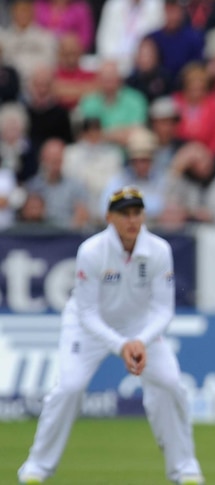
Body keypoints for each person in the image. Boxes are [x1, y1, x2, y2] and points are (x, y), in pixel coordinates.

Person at [17, 186, 205, 485]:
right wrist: (122, 345)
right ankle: (37, 467)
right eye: (124, 214)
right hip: (88, 327)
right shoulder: (92, 251)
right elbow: (87, 312)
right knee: (69, 388)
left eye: (137, 213)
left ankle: (184, 467)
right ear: (109, 217)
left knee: (169, 384)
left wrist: (139, 341)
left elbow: (163, 310)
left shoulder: (158, 250)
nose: (132, 220)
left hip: (141, 329)